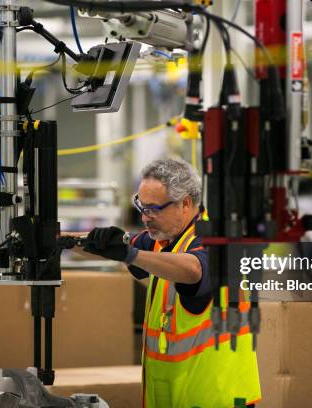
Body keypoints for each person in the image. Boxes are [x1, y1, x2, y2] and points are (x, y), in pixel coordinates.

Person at [77, 158, 261, 407]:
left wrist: (129, 254)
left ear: (185, 203)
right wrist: (55, 241)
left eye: (153, 209)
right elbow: (115, 248)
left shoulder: (218, 241)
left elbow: (194, 270)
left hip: (217, 399)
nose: (145, 218)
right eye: (141, 207)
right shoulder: (162, 240)